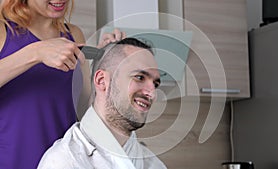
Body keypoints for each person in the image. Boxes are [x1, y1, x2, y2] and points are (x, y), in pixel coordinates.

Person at [0, 0, 124, 169]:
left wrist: (105, 66)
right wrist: (36, 52)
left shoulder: (73, 34)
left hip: (64, 162)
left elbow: (84, 109)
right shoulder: (3, 29)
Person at [37, 38, 168, 169]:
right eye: (139, 77)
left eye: (155, 84)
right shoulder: (63, 162)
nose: (152, 94)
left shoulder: (154, 165)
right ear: (102, 81)